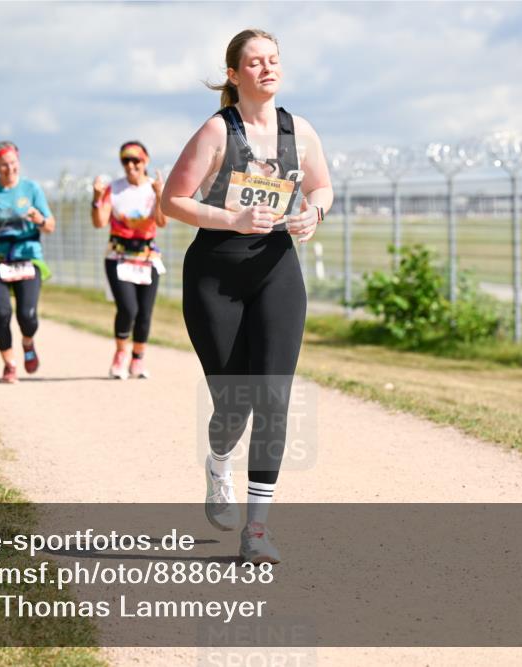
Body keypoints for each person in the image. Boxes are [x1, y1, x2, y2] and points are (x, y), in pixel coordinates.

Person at [161, 29, 333, 564]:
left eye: (273, 60)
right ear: (234, 75)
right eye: (254, 62)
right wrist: (232, 219)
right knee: (233, 403)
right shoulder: (217, 131)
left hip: (277, 269)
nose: (267, 68)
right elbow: (173, 200)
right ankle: (218, 464)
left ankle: (256, 531)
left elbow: (322, 187)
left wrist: (315, 212)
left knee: (274, 398)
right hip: (216, 275)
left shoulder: (298, 131)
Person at [0, 141, 56, 384]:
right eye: (4, 165)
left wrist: (39, 219)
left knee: (27, 315)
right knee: (2, 313)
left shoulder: (32, 189)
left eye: (14, 163)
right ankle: (10, 364)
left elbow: (50, 226)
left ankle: (28, 342)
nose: (10, 169)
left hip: (27, 258)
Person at [91, 141, 167, 379]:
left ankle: (138, 359)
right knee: (128, 308)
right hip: (119, 255)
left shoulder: (153, 188)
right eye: (126, 160)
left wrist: (159, 195)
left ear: (146, 161)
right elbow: (99, 222)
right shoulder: (113, 189)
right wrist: (96, 198)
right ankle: (120, 354)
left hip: (147, 256)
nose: (131, 165)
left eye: (136, 160)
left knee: (145, 312)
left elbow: (163, 222)